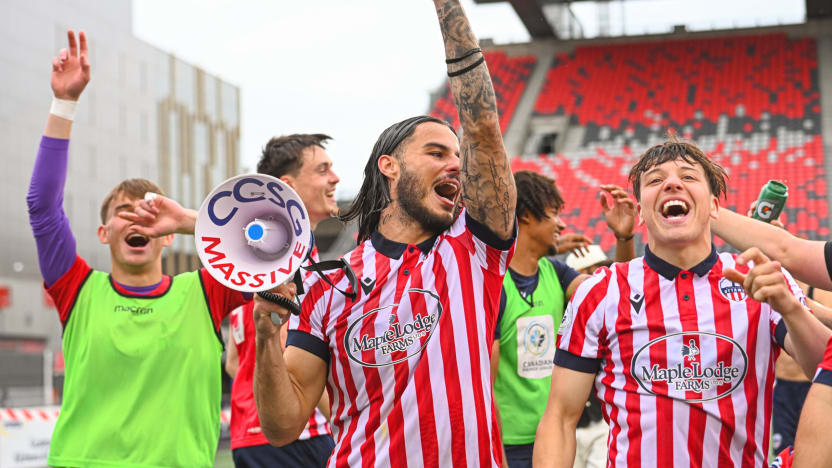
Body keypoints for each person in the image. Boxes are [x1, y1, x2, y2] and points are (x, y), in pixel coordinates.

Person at [250, 1, 516, 466]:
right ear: (389, 167)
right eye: (436, 152)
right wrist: (265, 337)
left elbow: (484, 129)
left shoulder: (472, 252)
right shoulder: (326, 282)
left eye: (458, 155)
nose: (455, 163)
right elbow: (282, 424)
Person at [533, 135, 832, 468]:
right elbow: (560, 417)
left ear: (715, 206)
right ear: (641, 211)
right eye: (656, 180)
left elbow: (823, 367)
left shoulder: (758, 275)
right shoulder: (600, 292)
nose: (672, 183)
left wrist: (791, 308)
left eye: (688, 177)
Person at [27, 31, 250, 468]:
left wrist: (192, 222)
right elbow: (42, 207)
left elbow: (275, 254)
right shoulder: (77, 289)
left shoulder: (205, 291)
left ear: (168, 236)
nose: (136, 218)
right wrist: (64, 104)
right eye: (123, 211)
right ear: (104, 232)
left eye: (150, 212)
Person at [491, 171, 635, 468]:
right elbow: (484, 385)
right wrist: (498, 458)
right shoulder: (495, 286)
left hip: (552, 436)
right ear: (527, 215)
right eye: (554, 213)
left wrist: (624, 237)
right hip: (510, 446)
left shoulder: (555, 273)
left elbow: (615, 296)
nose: (561, 224)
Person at [224, 134, 340, 467]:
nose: (335, 178)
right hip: (299, 435)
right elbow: (294, 347)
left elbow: (233, 360)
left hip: (249, 433)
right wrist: (351, 421)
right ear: (287, 186)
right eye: (322, 169)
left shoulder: (247, 255)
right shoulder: (294, 255)